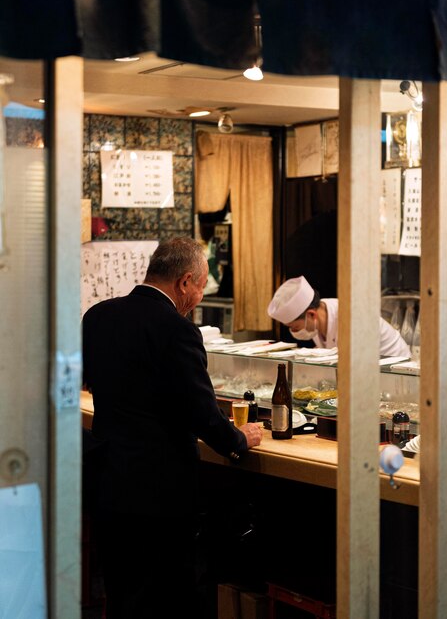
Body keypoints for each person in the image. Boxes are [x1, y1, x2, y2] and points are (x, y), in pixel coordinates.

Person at [82, 236, 263, 619]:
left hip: (107, 481)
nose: (199, 295)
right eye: (201, 285)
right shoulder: (177, 329)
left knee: (120, 591)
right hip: (157, 491)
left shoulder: (98, 315)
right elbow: (202, 412)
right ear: (184, 282)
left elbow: (91, 381)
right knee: (164, 597)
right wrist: (237, 441)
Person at [267, 276, 412, 358]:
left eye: (295, 327)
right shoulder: (318, 320)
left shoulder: (351, 317)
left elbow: (355, 364)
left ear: (311, 314)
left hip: (394, 370)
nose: (294, 332)